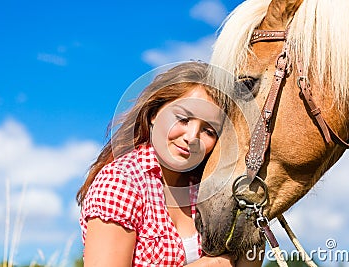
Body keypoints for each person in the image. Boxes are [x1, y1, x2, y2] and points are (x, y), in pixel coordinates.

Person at [76, 62, 235, 266]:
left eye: (209, 131)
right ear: (154, 114)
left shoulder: (205, 189)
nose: (192, 137)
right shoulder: (121, 183)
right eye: (183, 119)